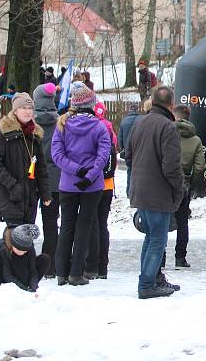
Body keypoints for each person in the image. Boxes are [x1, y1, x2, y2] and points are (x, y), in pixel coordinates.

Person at [127, 86, 184, 299]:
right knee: (157, 239)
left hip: (140, 188)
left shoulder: (139, 122)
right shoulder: (168, 127)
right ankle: (147, 283)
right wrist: (179, 187)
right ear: (171, 104)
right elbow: (171, 165)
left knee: (151, 237)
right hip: (158, 191)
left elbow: (129, 154)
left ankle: (152, 278)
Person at [51, 84, 111, 286]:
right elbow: (104, 156)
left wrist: (76, 170)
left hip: (68, 184)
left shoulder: (62, 125)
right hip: (92, 186)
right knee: (84, 227)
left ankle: (61, 273)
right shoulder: (99, 126)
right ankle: (76, 273)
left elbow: (57, 155)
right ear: (91, 104)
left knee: (66, 226)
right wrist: (90, 174)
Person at [0, 93, 50, 226]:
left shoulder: (35, 134)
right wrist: (12, 185)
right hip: (10, 197)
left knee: (25, 239)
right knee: (15, 240)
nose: (27, 111)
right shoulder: (4, 132)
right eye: (24, 108)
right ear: (15, 110)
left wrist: (45, 192)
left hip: (30, 198)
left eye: (30, 108)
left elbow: (41, 167)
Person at [84, 102, 117, 280]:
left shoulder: (90, 128)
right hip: (108, 185)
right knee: (102, 224)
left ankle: (92, 264)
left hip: (92, 184)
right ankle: (103, 266)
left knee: (91, 224)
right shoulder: (109, 129)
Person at [32, 84, 60, 278]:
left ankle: (29, 263)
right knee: (53, 224)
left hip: (34, 180)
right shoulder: (60, 123)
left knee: (29, 222)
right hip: (57, 180)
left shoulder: (30, 124)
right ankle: (51, 265)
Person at [172, 105, 205, 269]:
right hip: (184, 183)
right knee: (182, 221)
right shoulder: (195, 140)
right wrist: (192, 184)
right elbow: (200, 167)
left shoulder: (166, 133)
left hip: (165, 182)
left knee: (162, 221)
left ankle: (160, 257)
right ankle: (180, 257)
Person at [0, 224, 50, 291]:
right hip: (6, 281)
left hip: (23, 276)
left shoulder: (29, 247)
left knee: (45, 258)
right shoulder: (3, 246)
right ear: (13, 244)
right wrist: (23, 288)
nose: (21, 252)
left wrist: (33, 287)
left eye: (24, 251)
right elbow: (7, 274)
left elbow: (32, 270)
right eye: (19, 250)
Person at [117, 102, 142, 197]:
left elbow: (120, 137)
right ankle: (138, 192)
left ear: (129, 110)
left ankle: (129, 192)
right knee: (140, 171)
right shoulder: (142, 119)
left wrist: (122, 149)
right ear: (137, 110)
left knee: (130, 171)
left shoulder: (124, 121)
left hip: (128, 151)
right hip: (139, 150)